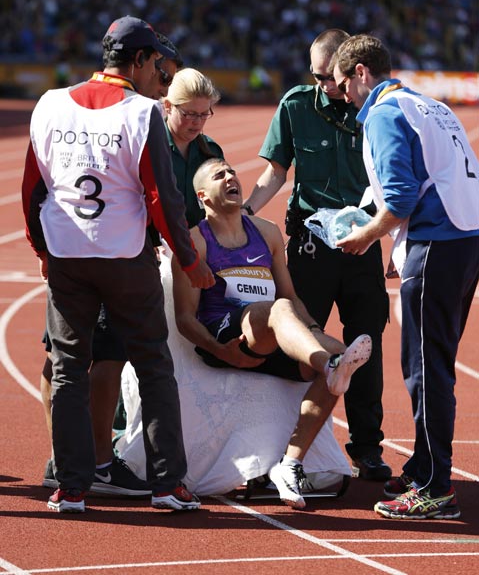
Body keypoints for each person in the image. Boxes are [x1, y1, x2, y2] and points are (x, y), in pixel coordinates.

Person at [22, 15, 214, 514]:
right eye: (159, 66)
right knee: (153, 365)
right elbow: (161, 196)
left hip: (67, 255)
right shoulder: (140, 111)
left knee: (68, 370)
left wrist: (42, 251)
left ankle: (72, 487)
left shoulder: (49, 103)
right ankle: (168, 484)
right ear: (140, 60)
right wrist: (189, 260)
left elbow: (31, 188)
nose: (161, 78)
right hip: (126, 257)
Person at [332, 34, 479, 520]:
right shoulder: (426, 104)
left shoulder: (384, 113)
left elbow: (399, 198)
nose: (342, 96)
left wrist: (366, 237)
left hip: (437, 243)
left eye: (341, 83)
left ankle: (437, 487)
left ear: (359, 73)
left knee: (425, 368)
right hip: (464, 237)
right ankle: (423, 466)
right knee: (434, 359)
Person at [171, 157, 373, 509]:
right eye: (220, 176)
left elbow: (291, 295)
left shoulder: (266, 232)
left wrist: (310, 333)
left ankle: (290, 464)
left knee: (340, 355)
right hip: (226, 336)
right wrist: (220, 351)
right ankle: (328, 364)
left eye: (232, 172)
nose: (232, 177)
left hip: (271, 333)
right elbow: (185, 319)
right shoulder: (195, 245)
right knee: (284, 314)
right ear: (202, 196)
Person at [243, 29, 391, 481]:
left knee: (366, 343)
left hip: (364, 238)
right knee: (299, 341)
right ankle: (283, 443)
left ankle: (367, 447)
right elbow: (275, 173)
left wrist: (393, 240)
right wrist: (244, 216)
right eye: (316, 76)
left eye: (329, 77)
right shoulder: (296, 105)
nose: (324, 85)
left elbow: (392, 179)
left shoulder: (375, 112)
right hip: (311, 242)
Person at [163, 67, 223, 227]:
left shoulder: (211, 152)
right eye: (189, 113)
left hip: (201, 245)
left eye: (204, 114)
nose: (197, 122)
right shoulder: (149, 148)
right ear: (168, 106)